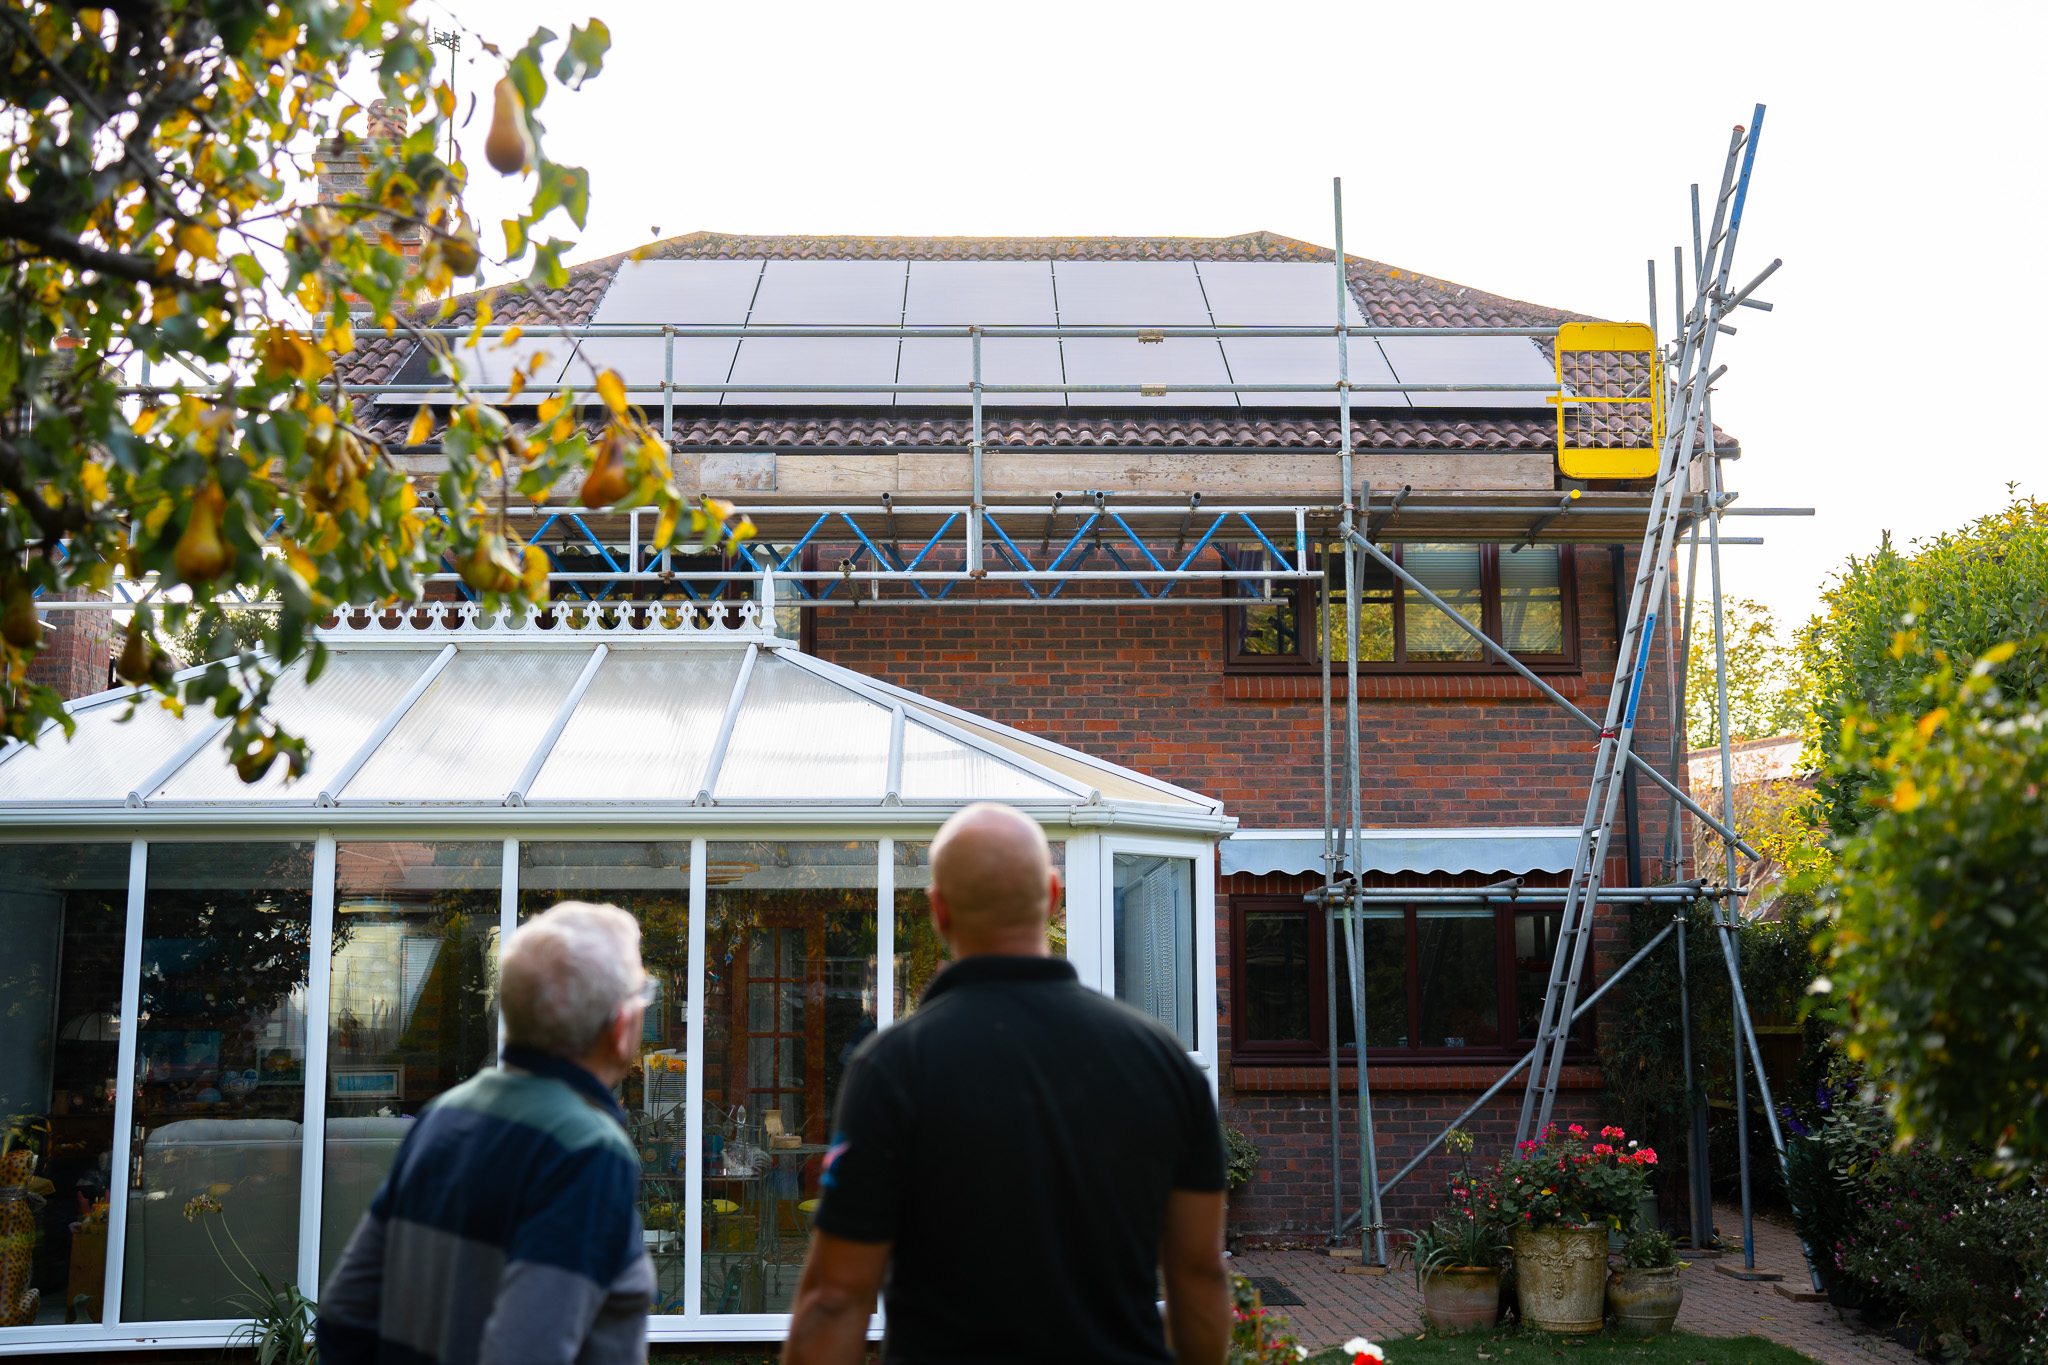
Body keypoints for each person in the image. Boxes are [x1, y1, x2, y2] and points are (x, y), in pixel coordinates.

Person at [783, 803, 1229, 1365]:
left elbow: (836, 1299)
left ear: (939, 911)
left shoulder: (893, 1067)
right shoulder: (1160, 1060)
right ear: (1052, 896)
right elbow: (1200, 1272)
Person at [319, 901, 654, 1365]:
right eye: (642, 993)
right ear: (620, 1026)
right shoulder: (587, 1150)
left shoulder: (443, 1117)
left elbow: (343, 1317)